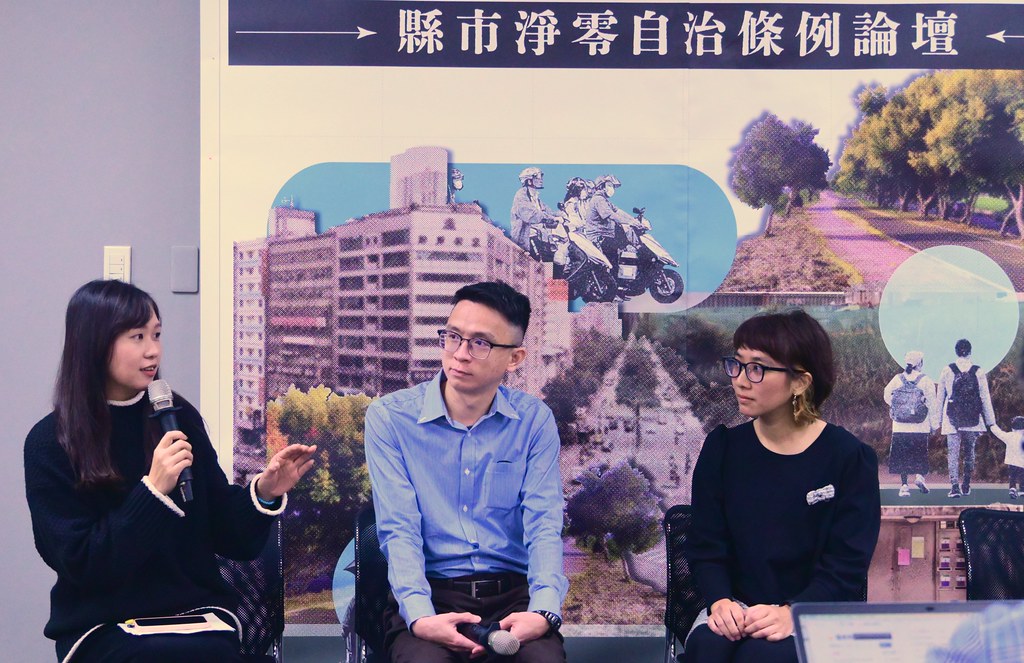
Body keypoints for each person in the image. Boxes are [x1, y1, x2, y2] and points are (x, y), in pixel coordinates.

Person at [24, 280, 318, 663]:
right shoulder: (50, 442)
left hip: (195, 618)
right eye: (137, 337)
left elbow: (229, 536)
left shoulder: (177, 418)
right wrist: (153, 492)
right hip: (102, 625)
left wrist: (264, 491)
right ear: (95, 343)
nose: (153, 350)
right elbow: (84, 564)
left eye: (157, 335)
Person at [364, 281, 567, 663]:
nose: (459, 354)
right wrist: (420, 616)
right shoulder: (390, 418)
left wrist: (543, 611)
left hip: (514, 596)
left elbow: (544, 523)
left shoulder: (534, 421)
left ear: (514, 358)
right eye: (453, 337)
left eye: (480, 343)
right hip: (432, 592)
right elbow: (399, 528)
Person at [683, 310, 881, 663]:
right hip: (736, 605)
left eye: (757, 368)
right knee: (709, 648)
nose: (740, 381)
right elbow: (706, 545)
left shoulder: (849, 458)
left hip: (811, 610)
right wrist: (720, 601)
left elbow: (847, 564)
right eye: (737, 364)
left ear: (800, 382)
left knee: (765, 657)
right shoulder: (723, 448)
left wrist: (793, 611)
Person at [936, 339, 995, 498]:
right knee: (970, 453)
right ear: (970, 351)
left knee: (953, 454)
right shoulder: (978, 371)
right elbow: (985, 398)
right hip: (973, 419)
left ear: (956, 351)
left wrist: (936, 421)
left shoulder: (947, 370)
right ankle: (966, 484)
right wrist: (991, 421)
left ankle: (954, 486)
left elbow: (940, 397)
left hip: (952, 419)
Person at [882, 350, 938, 496]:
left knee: (902, 456)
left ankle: (904, 486)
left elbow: (886, 395)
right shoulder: (926, 380)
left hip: (900, 426)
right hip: (920, 425)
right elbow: (933, 404)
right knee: (920, 453)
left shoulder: (897, 379)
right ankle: (919, 477)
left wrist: (897, 405)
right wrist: (934, 425)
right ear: (920, 363)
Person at [584, 174, 642, 271]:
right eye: (610, 186)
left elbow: (618, 211)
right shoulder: (598, 200)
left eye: (613, 187)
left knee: (628, 248)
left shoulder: (605, 201)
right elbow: (611, 215)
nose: (612, 189)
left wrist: (633, 220)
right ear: (602, 186)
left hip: (606, 236)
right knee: (614, 261)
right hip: (598, 237)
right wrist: (630, 222)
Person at [510, 167, 560, 252]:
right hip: (527, 240)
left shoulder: (536, 198)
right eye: (537, 177)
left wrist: (563, 215)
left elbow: (549, 212)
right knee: (538, 259)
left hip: (540, 237)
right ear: (529, 181)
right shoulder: (521, 196)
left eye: (541, 177)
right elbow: (531, 215)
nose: (541, 180)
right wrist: (551, 218)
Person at [987, 416, 1024, 499]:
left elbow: (999, 433)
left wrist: (992, 425)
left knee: (1012, 477)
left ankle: (1012, 488)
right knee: (1022, 476)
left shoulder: (1010, 436)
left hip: (1012, 462)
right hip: (1022, 463)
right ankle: (1022, 489)